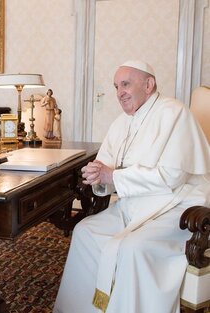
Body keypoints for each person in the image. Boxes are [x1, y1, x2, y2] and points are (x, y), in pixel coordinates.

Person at [53, 60, 210, 313]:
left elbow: (171, 177)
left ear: (149, 85)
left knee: (132, 248)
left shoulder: (174, 113)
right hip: (133, 206)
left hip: (174, 208)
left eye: (125, 84)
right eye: (116, 87)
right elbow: (107, 173)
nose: (119, 93)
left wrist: (112, 177)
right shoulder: (121, 123)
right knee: (85, 232)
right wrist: (97, 177)